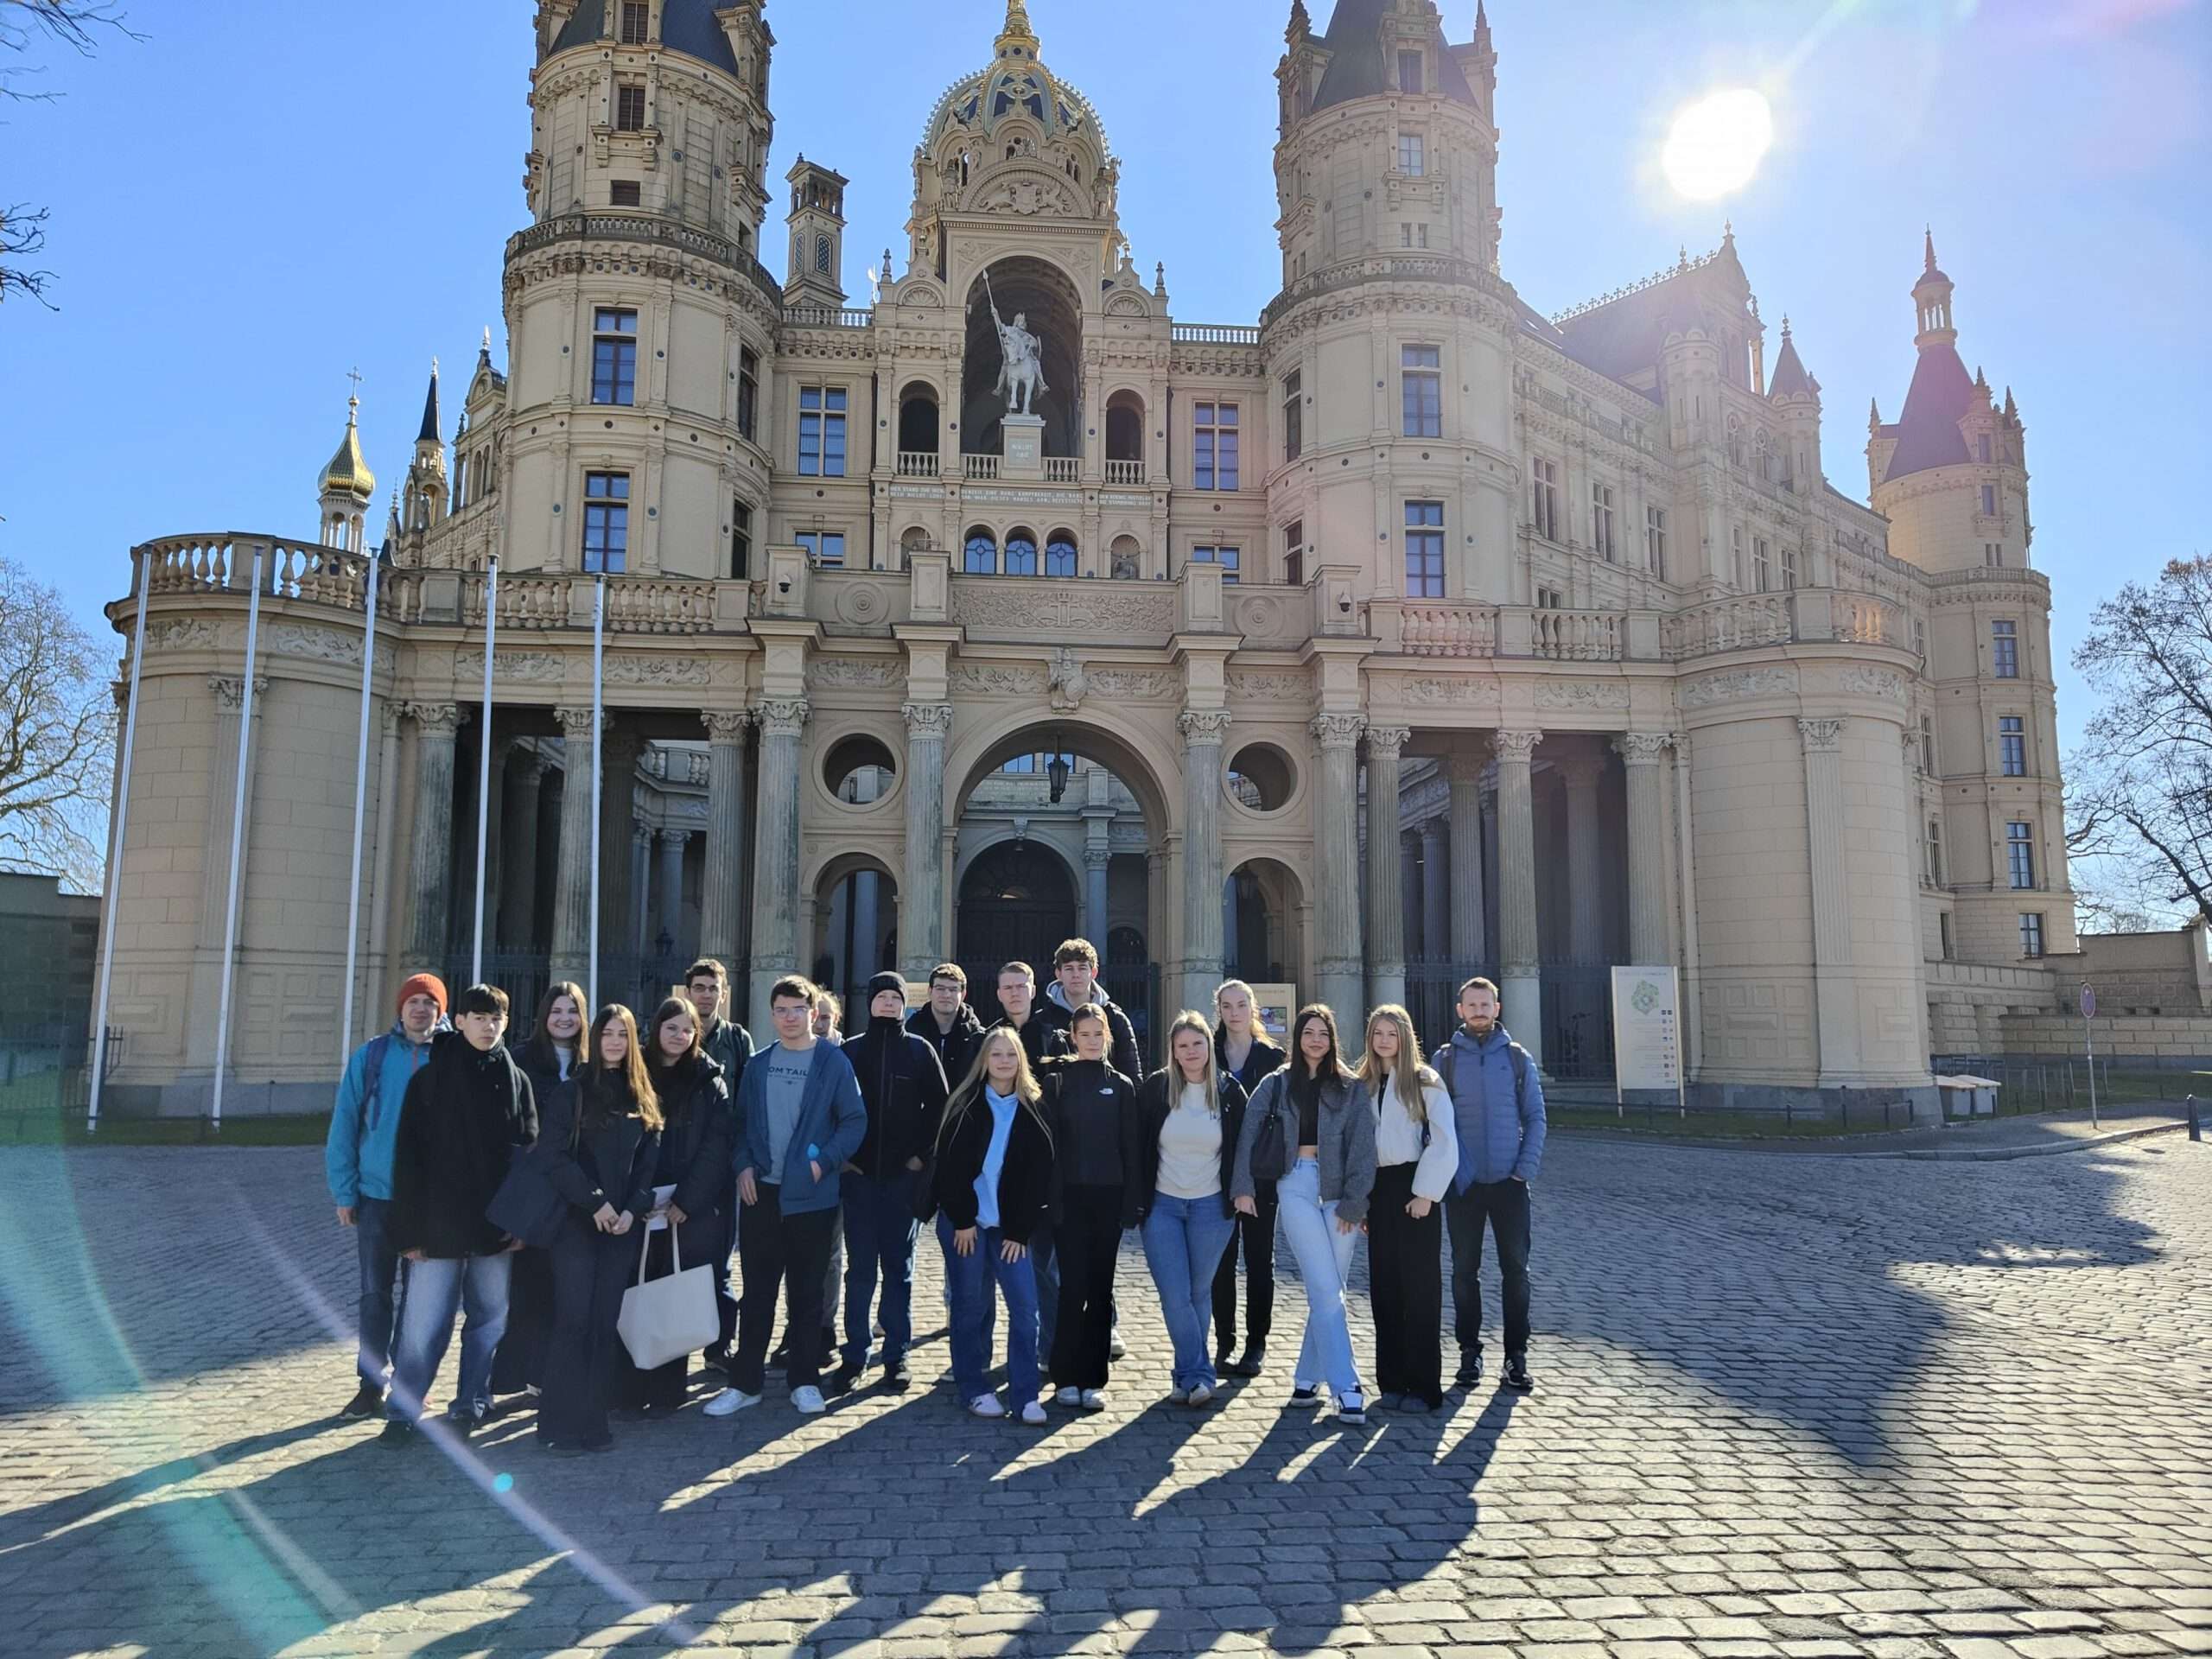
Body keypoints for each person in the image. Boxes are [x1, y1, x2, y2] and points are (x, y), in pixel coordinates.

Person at [380, 983, 539, 1446]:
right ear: (462, 1021)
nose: (488, 1027)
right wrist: (407, 1230)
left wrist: (522, 1223)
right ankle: (403, 1410)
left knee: (490, 1319)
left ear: (506, 1024)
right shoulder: (427, 1082)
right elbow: (406, 1161)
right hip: (437, 1227)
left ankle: (472, 1400)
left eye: (496, 1019)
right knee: (423, 1325)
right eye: (479, 1018)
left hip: (497, 1227)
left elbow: (528, 1159)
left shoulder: (518, 1081)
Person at [707, 976, 867, 1418]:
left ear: (813, 1014)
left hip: (812, 1197)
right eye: (782, 1009)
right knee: (757, 1292)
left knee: (807, 1292)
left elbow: (853, 1121)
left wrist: (822, 1162)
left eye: (798, 1009)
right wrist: (742, 1165)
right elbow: (739, 1126)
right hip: (762, 1194)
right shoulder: (758, 1065)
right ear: (772, 1014)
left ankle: (804, 1380)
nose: (790, 1017)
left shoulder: (832, 1063)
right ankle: (745, 1383)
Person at [1232, 1003, 1376, 1427]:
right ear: (1297, 1038)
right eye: (1309, 1032)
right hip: (1294, 1183)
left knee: (1329, 1287)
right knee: (1325, 1285)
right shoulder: (1275, 1084)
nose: (1316, 1040)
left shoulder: (1350, 1089)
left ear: (1333, 1040)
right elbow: (1248, 1136)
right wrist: (1242, 1188)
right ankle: (1347, 1386)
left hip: (1338, 1194)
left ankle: (1307, 1376)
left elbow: (1364, 1149)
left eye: (1323, 1034)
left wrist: (1355, 1201)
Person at [537, 1005, 663, 1454]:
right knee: (574, 1319)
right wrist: (595, 1203)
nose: (614, 1042)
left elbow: (649, 1165)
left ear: (632, 1042)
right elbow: (551, 1157)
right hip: (576, 1224)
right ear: (595, 1038)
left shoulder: (642, 1095)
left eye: (622, 1035)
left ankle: (594, 1421)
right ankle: (557, 1423)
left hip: (622, 1227)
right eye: (606, 1033)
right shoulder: (572, 1093)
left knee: (603, 1323)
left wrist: (632, 1209)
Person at [327, 971, 448, 1418]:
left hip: (430, 1202)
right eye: (413, 1001)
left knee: (421, 1302)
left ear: (441, 1011)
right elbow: (344, 1124)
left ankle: (410, 1381)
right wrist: (344, 1190)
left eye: (429, 1003)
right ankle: (369, 1384)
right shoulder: (372, 1056)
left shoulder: (452, 1057)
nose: (420, 1010)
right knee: (375, 1295)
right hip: (377, 1197)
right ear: (400, 1008)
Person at [925, 1027, 1056, 1423]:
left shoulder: (1034, 1107)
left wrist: (1019, 1230)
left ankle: (1025, 1393)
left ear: (1021, 1061)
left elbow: (1039, 1177)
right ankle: (973, 1386)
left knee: (1025, 1307)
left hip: (1009, 1228)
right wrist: (963, 1220)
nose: (1003, 1061)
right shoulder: (965, 1104)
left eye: (1011, 1055)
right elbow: (949, 1170)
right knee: (971, 1305)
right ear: (984, 1060)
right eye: (996, 1054)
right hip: (966, 1223)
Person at [616, 996, 734, 1419]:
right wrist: (637, 1199)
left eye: (687, 1030)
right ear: (657, 1029)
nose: (680, 1036)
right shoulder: (632, 1072)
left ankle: (668, 1391)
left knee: (672, 1293)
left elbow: (716, 1146)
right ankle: (627, 1389)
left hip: (685, 1207)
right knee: (632, 1292)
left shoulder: (710, 1079)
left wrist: (687, 1200)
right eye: (672, 1028)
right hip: (638, 1204)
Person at [832, 972, 948, 1396]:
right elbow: (832, 1109)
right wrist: (842, 1159)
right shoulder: (850, 1051)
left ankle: (896, 1356)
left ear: (904, 1005)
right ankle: (855, 1354)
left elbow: (941, 1109)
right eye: (880, 996)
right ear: (871, 1003)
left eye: (894, 998)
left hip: (903, 1180)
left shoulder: (920, 1051)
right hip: (859, 1180)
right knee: (860, 1272)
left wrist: (921, 1156)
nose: (887, 1004)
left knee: (899, 1272)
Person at [1432, 976, 1545, 1395]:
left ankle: (1516, 1357)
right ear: (1459, 1010)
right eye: (1471, 1005)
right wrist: (1454, 1171)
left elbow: (1535, 1116)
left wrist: (1524, 1169)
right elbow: (1435, 1123)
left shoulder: (1517, 1059)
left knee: (1516, 1272)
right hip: (1464, 1185)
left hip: (1510, 1183)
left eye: (1486, 1004)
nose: (1479, 1011)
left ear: (1497, 1008)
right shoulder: (1443, 1061)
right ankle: (1469, 1354)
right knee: (1464, 1273)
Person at [1135, 1009, 1249, 1407]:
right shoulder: (1156, 1089)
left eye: (1197, 1043)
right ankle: (1200, 1373)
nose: (1191, 1051)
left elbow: (1243, 1150)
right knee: (1174, 1294)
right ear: (1173, 1051)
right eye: (1182, 1046)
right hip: (1163, 1206)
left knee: (1200, 1293)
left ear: (1208, 1046)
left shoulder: (1230, 1093)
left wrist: (1241, 1193)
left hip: (1210, 1208)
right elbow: (1138, 1147)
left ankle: (1186, 1377)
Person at [1033, 1003, 1139, 1410]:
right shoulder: (1057, 1084)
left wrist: (1132, 1204)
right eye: (1085, 1034)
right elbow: (1049, 1149)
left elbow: (1131, 1148)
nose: (1093, 1041)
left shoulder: (1124, 1086)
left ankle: (1093, 1377)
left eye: (1099, 1034)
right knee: (1070, 1288)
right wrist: (1051, 1203)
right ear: (1073, 1038)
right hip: (1070, 1202)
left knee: (1100, 1291)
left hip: (1108, 1201)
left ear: (1108, 1036)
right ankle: (1065, 1376)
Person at [1357, 1004, 1459, 1414]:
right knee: (1384, 1289)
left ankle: (1424, 1387)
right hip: (1378, 1190)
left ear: (1405, 1037)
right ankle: (1392, 1382)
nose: (1384, 1041)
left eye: (1391, 1034)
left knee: (1420, 1290)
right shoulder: (1362, 1082)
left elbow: (1445, 1140)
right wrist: (1362, 1200)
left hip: (1415, 1186)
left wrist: (1426, 1194)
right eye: (1377, 1033)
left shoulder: (1424, 1080)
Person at [494, 980, 588, 1401]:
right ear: (543, 1017)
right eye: (557, 1011)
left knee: (562, 1287)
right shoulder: (521, 1060)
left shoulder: (593, 1063)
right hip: (535, 1188)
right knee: (524, 1288)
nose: (565, 1019)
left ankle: (545, 1372)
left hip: (577, 1191)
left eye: (572, 1011)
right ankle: (506, 1375)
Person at [991, 961, 1070, 1363]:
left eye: (1022, 986)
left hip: (1042, 1168)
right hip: (997, 1169)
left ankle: (1050, 1347)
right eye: (1008, 987)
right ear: (999, 993)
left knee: (1044, 1266)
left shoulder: (1054, 1039)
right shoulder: (988, 1040)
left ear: (1034, 990)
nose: (1016, 993)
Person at [1211, 979, 1287, 1379]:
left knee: (1260, 1260)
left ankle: (1256, 1343)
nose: (1234, 1012)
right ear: (1219, 1010)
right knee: (1221, 1261)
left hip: (1261, 1173)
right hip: (1216, 1170)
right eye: (1227, 1006)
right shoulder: (1208, 1053)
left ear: (1253, 1009)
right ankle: (1224, 1341)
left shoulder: (1272, 1057)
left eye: (1241, 1005)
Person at [682, 959, 751, 1377]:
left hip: (723, 1168)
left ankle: (718, 1347)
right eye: (700, 987)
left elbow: (747, 1103)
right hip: (676, 1167)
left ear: (724, 994)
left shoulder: (738, 1039)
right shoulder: (671, 1032)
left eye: (713, 988)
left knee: (720, 1264)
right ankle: (671, 1343)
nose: (706, 994)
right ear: (688, 991)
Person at [1044, 938, 1142, 1083]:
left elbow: (1132, 1076)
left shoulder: (1115, 1018)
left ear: (1094, 972)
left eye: (1082, 968)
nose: (1076, 974)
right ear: (1058, 974)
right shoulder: (1044, 1021)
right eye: (1069, 968)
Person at [906, 962, 987, 1088]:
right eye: (940, 988)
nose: (946, 995)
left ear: (963, 994)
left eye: (953, 989)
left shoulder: (978, 1038)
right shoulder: (911, 1033)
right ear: (930, 991)